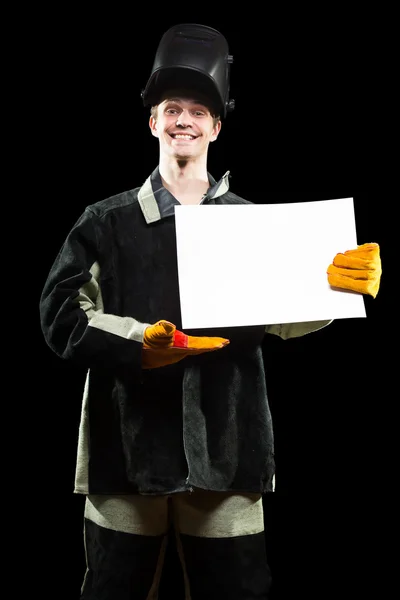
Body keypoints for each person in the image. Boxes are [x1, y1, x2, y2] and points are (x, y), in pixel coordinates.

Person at [39, 23, 382, 600]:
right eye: (172, 108)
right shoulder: (105, 222)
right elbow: (62, 314)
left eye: (198, 111)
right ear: (152, 121)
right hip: (124, 452)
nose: (183, 121)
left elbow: (284, 313)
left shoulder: (252, 224)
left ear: (216, 128)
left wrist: (333, 289)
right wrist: (142, 340)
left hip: (230, 448)